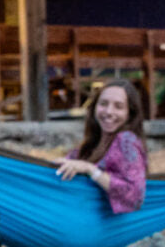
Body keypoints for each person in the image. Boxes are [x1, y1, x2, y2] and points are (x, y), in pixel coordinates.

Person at [54, 79, 147, 213]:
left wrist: (91, 170)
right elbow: (68, 164)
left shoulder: (126, 140)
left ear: (129, 114)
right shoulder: (94, 142)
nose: (109, 112)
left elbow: (135, 195)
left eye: (118, 106)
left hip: (106, 225)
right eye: (103, 104)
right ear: (94, 108)